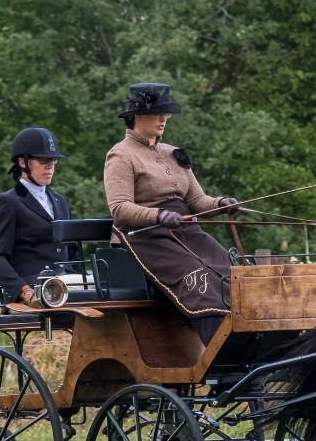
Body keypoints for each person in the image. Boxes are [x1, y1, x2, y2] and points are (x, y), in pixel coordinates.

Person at [103, 82, 240, 345]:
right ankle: (223, 353)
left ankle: (252, 344)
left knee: (232, 273)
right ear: (136, 116)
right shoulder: (120, 155)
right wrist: (158, 216)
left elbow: (197, 200)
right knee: (202, 284)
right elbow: (119, 208)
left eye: (165, 113)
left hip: (186, 233)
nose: (163, 118)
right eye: (157, 112)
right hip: (145, 238)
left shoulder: (172, 153)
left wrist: (221, 203)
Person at [0, 127, 81, 307]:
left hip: (67, 283)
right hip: (34, 287)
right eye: (43, 160)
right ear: (22, 163)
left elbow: (73, 253)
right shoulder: (8, 202)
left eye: (53, 160)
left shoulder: (61, 202)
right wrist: (24, 291)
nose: (50, 166)